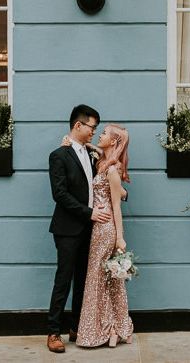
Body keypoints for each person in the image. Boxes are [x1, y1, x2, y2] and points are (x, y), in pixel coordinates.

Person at [46, 104, 112, 354]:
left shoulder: (91, 153)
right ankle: (53, 331)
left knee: (84, 279)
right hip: (67, 228)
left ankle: (76, 327)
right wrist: (90, 213)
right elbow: (59, 194)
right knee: (63, 279)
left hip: (90, 229)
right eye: (92, 127)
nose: (94, 132)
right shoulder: (58, 156)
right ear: (78, 125)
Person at [74, 124, 134, 348]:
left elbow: (117, 207)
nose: (100, 135)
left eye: (104, 133)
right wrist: (75, 143)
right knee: (104, 280)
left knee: (100, 280)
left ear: (114, 142)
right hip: (97, 228)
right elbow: (97, 149)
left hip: (106, 229)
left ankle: (110, 327)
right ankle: (114, 327)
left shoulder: (112, 170)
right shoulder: (103, 163)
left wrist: (120, 238)